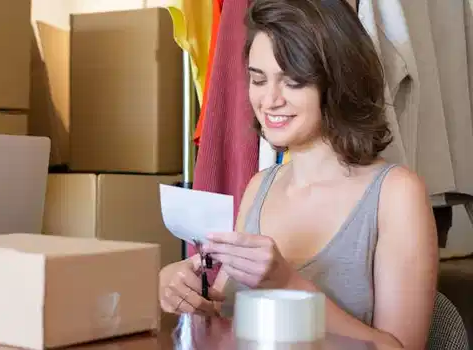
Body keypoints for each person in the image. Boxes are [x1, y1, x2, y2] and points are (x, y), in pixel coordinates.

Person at [158, 0, 438, 348]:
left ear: (337, 81)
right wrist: (186, 294)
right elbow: (227, 322)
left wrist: (288, 285)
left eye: (292, 82)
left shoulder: (396, 193)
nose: (269, 100)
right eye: (258, 80)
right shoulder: (261, 186)